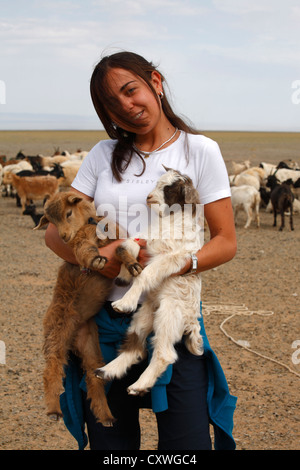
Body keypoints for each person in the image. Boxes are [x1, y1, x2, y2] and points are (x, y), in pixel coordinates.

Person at [44, 51, 237, 451]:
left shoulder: (200, 151)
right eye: (113, 104)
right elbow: (54, 235)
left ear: (155, 81)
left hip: (173, 316)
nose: (127, 107)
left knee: (188, 448)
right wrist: (108, 254)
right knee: (111, 447)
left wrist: (174, 263)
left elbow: (225, 241)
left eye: (131, 91)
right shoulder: (101, 155)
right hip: (105, 323)